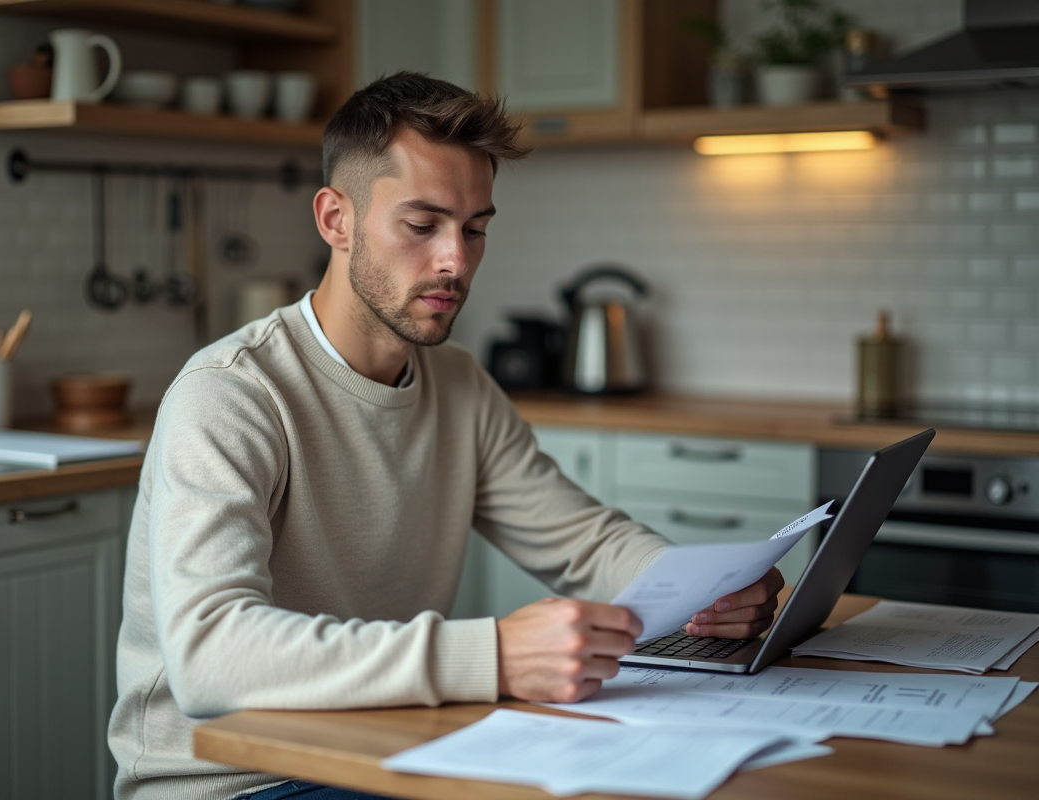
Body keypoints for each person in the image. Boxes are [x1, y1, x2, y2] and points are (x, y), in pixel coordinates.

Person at [108, 72, 784, 800]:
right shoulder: (231, 394)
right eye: (422, 225)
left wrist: (707, 591)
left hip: (387, 751)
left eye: (476, 228)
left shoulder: (458, 385)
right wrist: (491, 654)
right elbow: (210, 658)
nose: (455, 262)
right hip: (241, 782)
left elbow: (586, 541)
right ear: (336, 219)